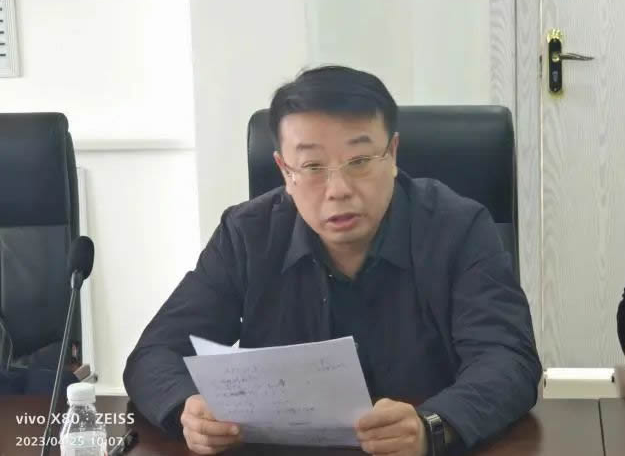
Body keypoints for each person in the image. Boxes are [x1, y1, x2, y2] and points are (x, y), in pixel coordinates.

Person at [124, 65, 542, 456]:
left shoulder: (458, 228)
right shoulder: (246, 235)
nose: (338, 189)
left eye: (359, 161)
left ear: (393, 154)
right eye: (312, 166)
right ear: (284, 171)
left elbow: (508, 359)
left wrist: (432, 424)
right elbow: (154, 354)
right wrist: (188, 409)